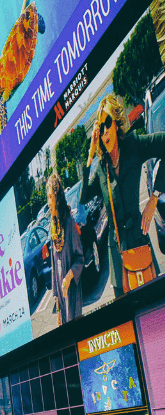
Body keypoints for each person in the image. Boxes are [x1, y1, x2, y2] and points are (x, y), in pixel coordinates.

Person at [82, 93, 165, 298]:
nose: (104, 132)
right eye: (99, 129)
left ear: (116, 125)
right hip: (116, 250)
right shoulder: (102, 167)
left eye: (107, 124)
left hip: (139, 238)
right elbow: (83, 197)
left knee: (153, 304)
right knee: (127, 314)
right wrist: (90, 154)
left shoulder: (133, 145)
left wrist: (154, 197)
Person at [45, 173, 84, 325]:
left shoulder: (69, 223)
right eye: (47, 198)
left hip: (72, 291)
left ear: (57, 197)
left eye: (50, 197)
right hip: (61, 296)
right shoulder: (52, 226)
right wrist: (56, 298)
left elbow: (80, 258)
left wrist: (68, 277)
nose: (48, 202)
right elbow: (54, 265)